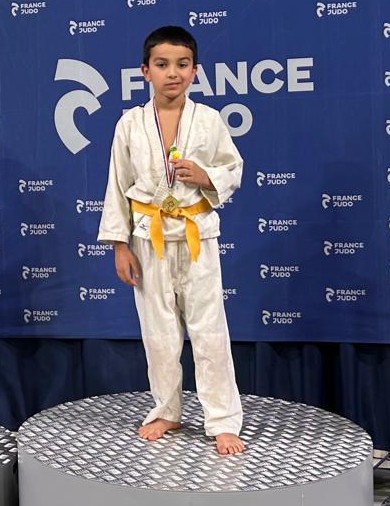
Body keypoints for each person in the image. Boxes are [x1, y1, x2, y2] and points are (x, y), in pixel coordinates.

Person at [98, 26, 245, 455]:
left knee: (209, 331)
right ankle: (167, 409)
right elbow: (117, 184)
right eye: (162, 65)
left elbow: (233, 168)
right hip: (149, 237)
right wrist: (119, 244)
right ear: (146, 71)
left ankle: (222, 419)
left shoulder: (209, 120)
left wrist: (206, 176)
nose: (173, 73)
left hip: (197, 234)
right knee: (158, 332)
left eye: (182, 65)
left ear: (195, 71)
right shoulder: (130, 123)